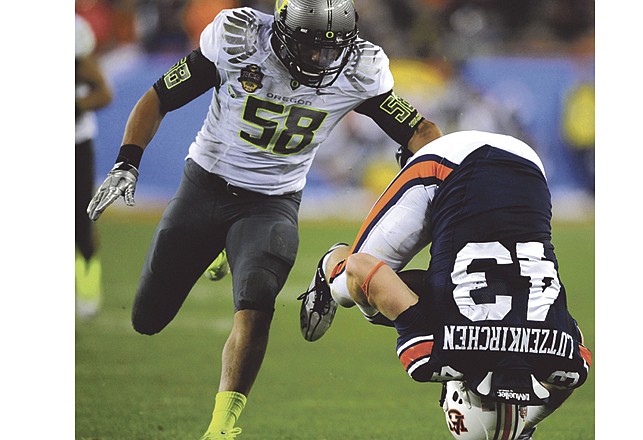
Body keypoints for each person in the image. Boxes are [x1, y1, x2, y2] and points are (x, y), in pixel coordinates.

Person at [86, 1, 442, 438]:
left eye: (332, 50)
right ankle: (222, 245)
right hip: (206, 187)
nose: (321, 60)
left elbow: (421, 131)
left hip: (273, 202)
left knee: (255, 308)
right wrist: (127, 162)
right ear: (282, 32)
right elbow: (159, 96)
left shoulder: (358, 69)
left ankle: (222, 426)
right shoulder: (239, 41)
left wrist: (432, 166)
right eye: (311, 47)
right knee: (148, 318)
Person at [300, 130, 592, 439]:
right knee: (355, 292)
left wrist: (527, 420)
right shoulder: (432, 359)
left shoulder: (566, 364)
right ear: (460, 400)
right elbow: (362, 266)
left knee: (435, 300)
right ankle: (330, 264)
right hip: (451, 166)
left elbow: (574, 350)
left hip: (528, 164)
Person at [75, 13, 113, 319]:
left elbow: (103, 92)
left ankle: (87, 282)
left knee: (79, 221)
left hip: (74, 142)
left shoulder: (73, 31)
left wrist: (74, 105)